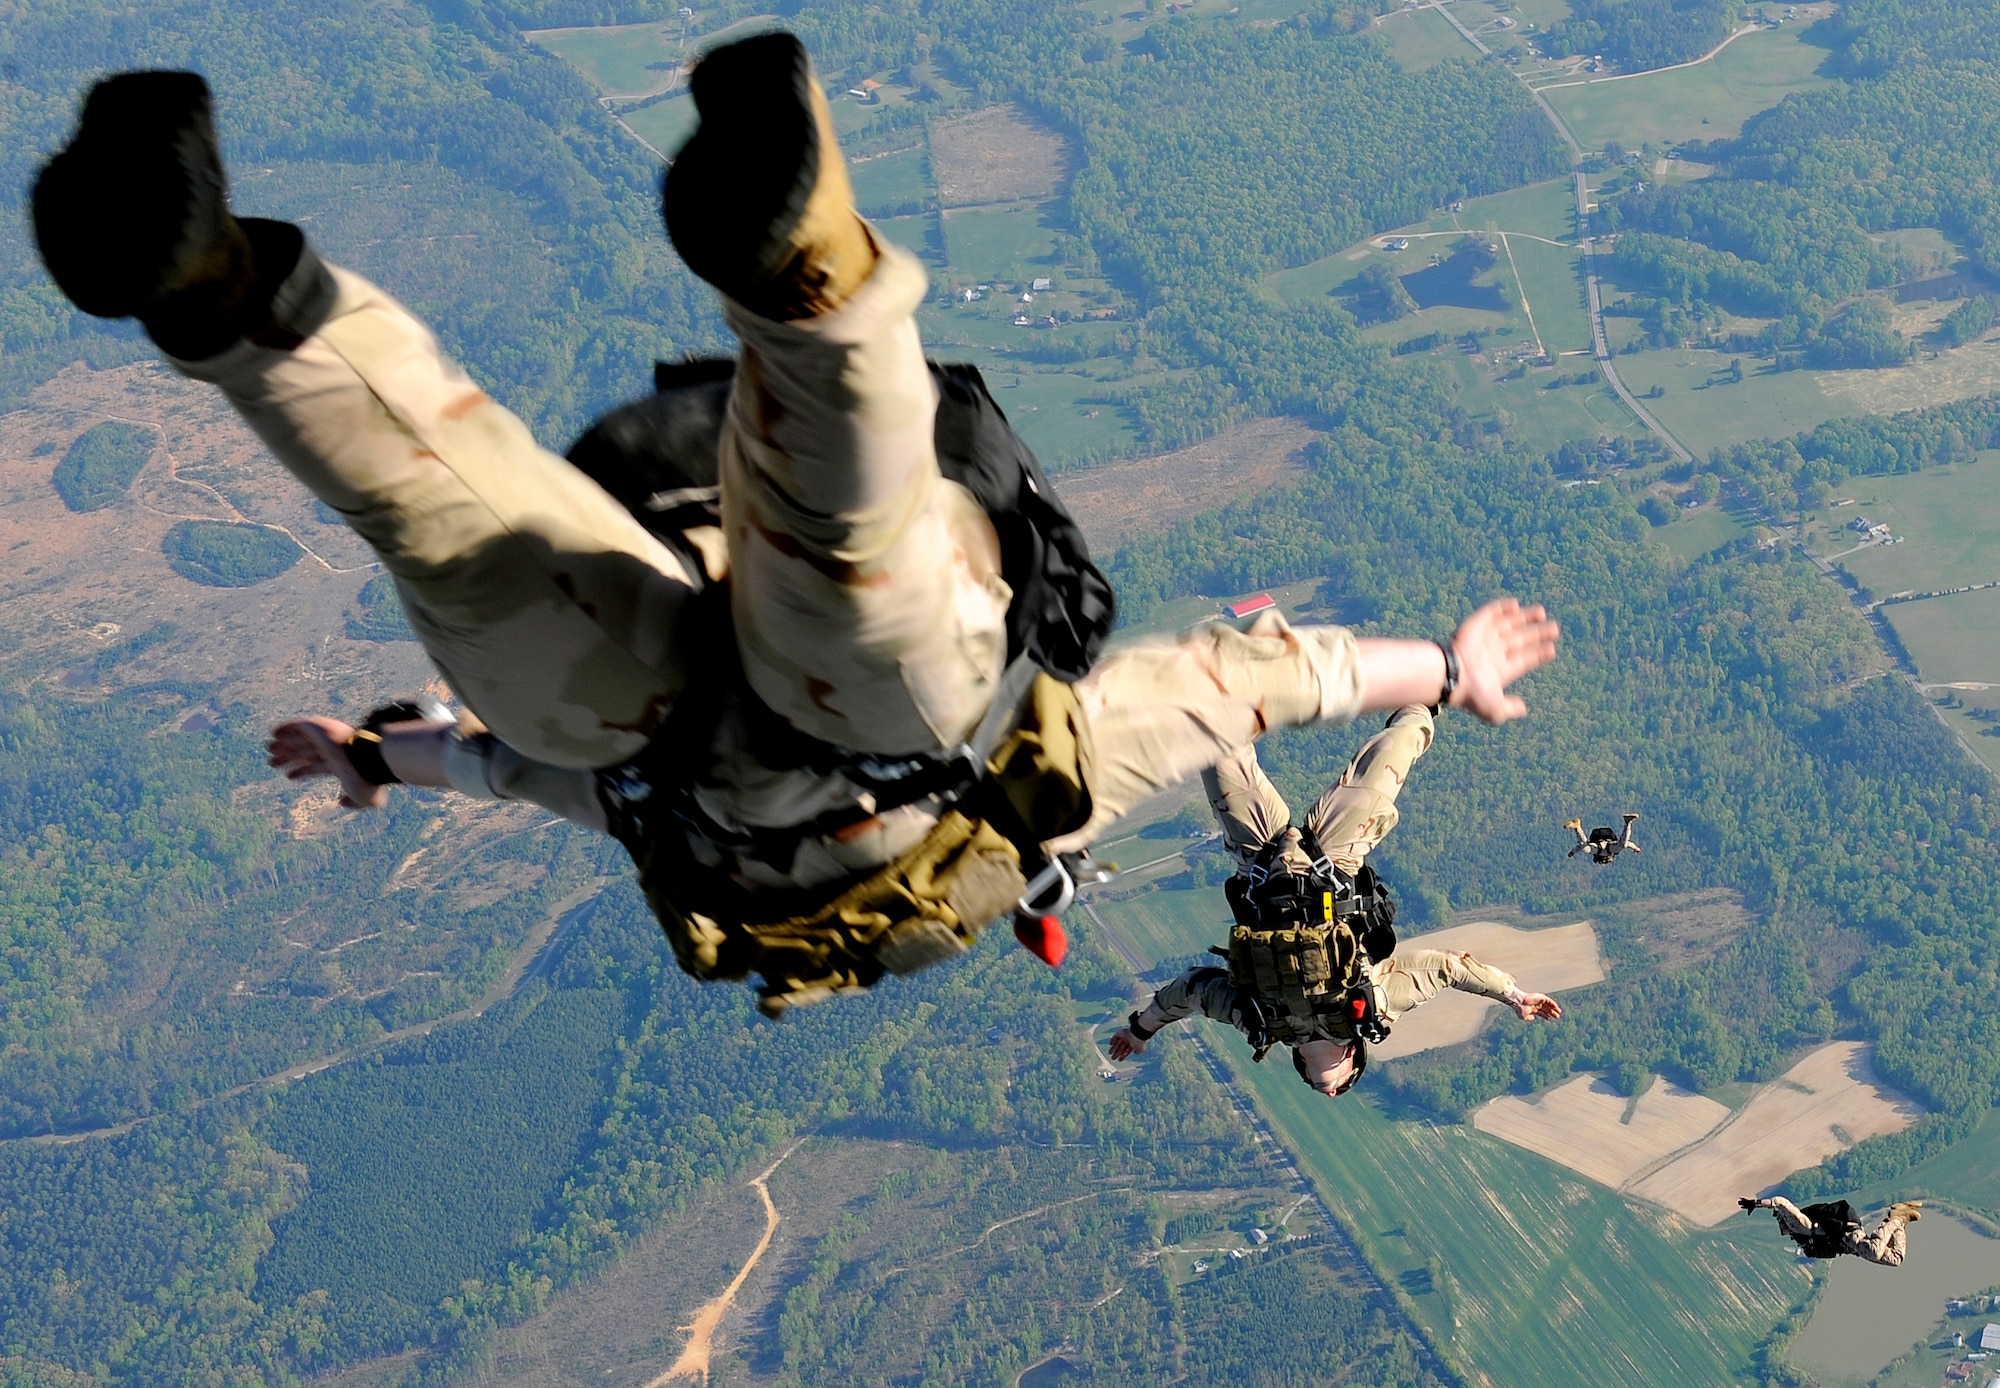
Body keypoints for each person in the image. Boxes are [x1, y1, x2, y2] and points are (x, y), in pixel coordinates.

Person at [32, 42, 1559, 1015]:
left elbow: (1230, 686)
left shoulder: (1041, 804)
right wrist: (375, 757)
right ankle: (215, 290)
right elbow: (498, 764)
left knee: (867, 545)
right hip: (667, 743)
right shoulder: (695, 841)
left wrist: (1438, 666)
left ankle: (806, 272)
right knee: (453, 527)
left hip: (857, 730)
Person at [1108, 698, 1562, 1094]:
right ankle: (1426, 697)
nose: (1329, 1091)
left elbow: (1193, 989)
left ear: (1302, 1065)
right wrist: (1513, 994)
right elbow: (1446, 968)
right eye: (1342, 1086)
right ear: (1352, 1058)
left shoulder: (1260, 1022)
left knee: (1214, 740)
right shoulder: (1375, 1009)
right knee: (1398, 748)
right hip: (1334, 862)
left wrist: (1142, 1028)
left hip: (1262, 863)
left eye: (1325, 1087)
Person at [1738, 1196, 1922, 1267]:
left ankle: (1895, 1217)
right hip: (1850, 1247)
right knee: (1895, 1259)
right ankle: (1902, 1220)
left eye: (1780, 1223)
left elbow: (1780, 1202)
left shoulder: (1800, 1225)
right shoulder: (1800, 1237)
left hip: (1849, 1235)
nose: (1781, 1230)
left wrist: (1756, 1203)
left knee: (1875, 1251)